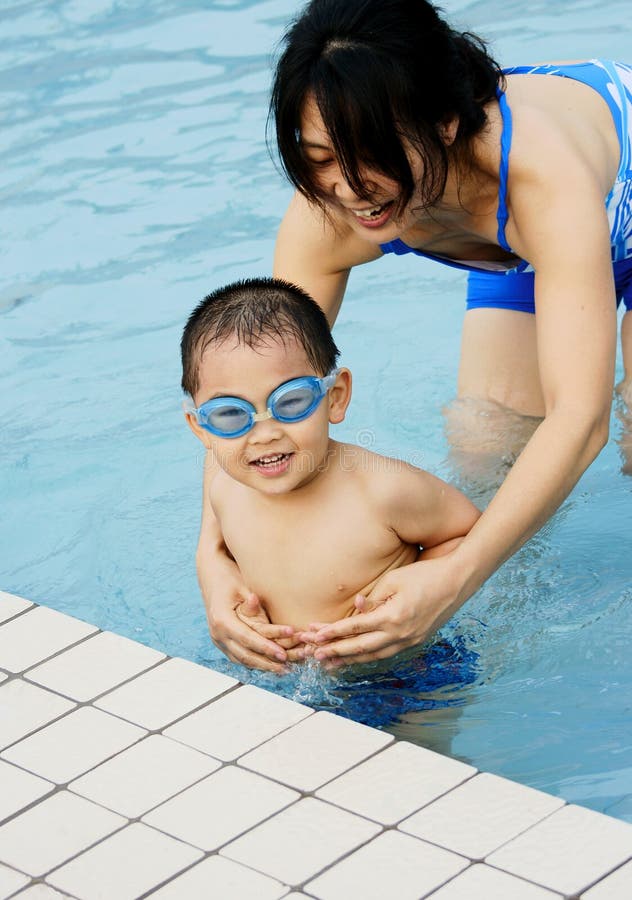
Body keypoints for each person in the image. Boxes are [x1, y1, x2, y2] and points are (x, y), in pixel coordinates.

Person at [197, 0, 632, 672]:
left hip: (586, 205)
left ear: (446, 124)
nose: (348, 187)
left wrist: (452, 583)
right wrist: (213, 557)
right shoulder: (333, 210)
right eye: (318, 156)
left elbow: (582, 419)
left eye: (372, 157)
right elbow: (246, 386)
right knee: (487, 452)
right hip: (516, 246)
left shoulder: (539, 179)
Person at [182, 277, 480, 664]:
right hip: (289, 674)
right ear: (201, 428)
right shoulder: (225, 487)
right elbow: (216, 552)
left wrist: (427, 579)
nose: (264, 434)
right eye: (230, 414)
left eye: (290, 402)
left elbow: (470, 531)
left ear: (335, 398)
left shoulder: (381, 489)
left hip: (408, 672)